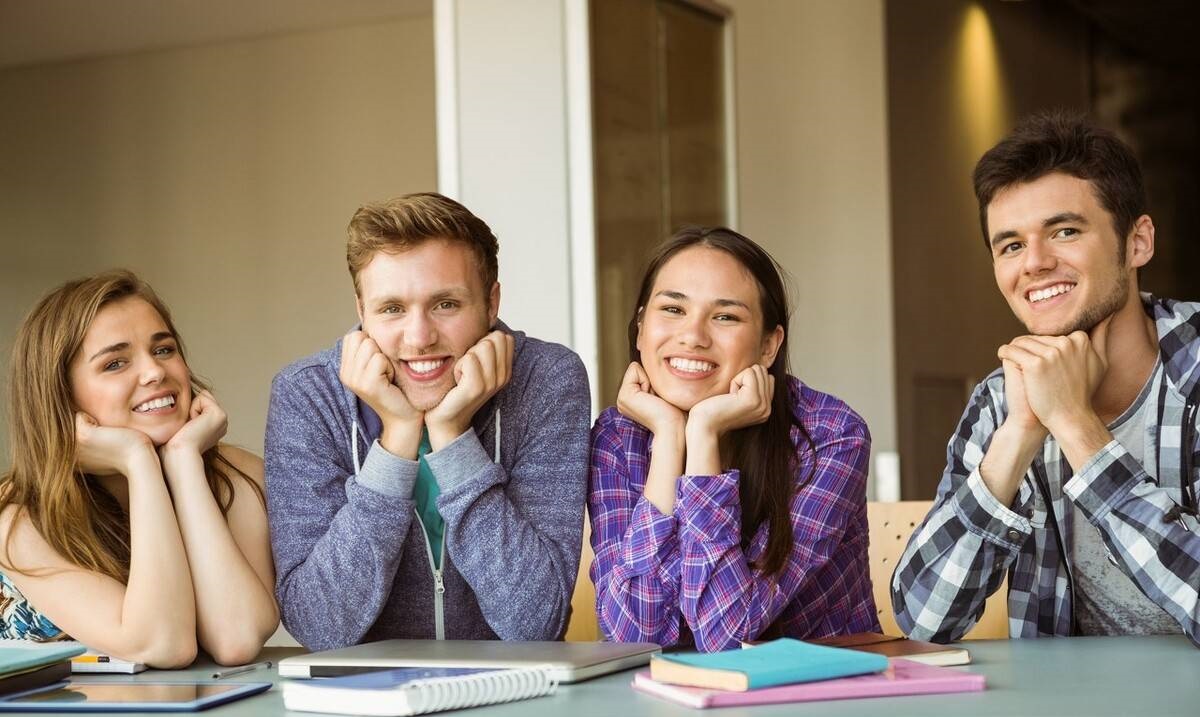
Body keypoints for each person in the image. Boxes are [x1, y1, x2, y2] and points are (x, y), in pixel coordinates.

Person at [891, 111, 1200, 646]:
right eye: (1010, 245)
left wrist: (1076, 425)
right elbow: (924, 620)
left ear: (1137, 242)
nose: (1034, 263)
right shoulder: (1000, 401)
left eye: (1065, 231)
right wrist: (1021, 431)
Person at [266, 192, 590, 649]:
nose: (419, 337)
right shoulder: (308, 394)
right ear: (362, 312)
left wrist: (452, 435)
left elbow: (537, 622)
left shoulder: (547, 380)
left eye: (446, 304)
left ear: (491, 303)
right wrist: (397, 439)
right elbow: (321, 627)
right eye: (392, 308)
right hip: (366, 699)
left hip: (513, 695)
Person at [588, 226, 879, 652]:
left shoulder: (832, 436)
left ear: (768, 346)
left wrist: (703, 435)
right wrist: (670, 439)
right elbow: (634, 637)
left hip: (819, 697)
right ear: (639, 328)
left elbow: (726, 633)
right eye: (672, 309)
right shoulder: (616, 439)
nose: (693, 336)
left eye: (725, 316)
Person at [0, 270, 277, 666]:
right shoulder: (21, 516)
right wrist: (138, 460)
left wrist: (183, 462)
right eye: (115, 363)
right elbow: (162, 644)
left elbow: (237, 638)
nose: (154, 372)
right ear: (61, 395)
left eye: (163, 349)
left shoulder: (237, 475)